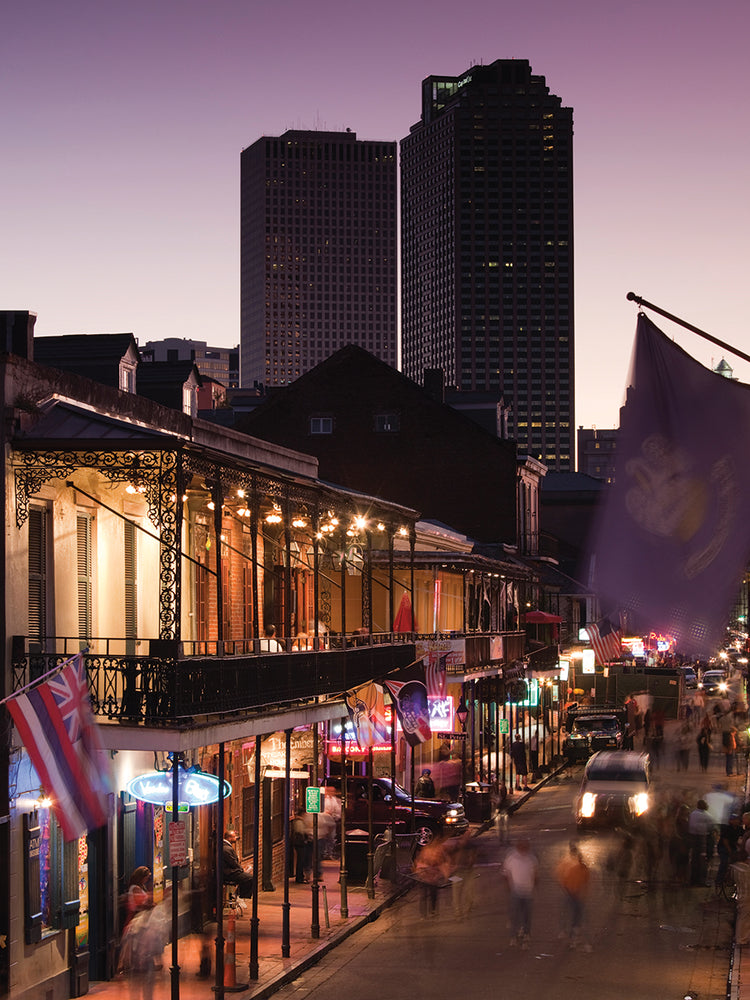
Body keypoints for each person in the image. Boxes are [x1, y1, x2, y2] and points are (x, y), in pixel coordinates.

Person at [502, 836, 538, 948]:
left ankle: (526, 934)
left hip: (527, 892)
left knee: (527, 916)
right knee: (515, 916)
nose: (525, 848)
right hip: (516, 892)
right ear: (518, 846)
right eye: (523, 846)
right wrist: (509, 887)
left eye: (526, 846)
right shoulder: (511, 858)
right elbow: (506, 873)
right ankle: (513, 936)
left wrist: (534, 888)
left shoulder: (531, 859)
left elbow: (535, 874)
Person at [555, 842, 591, 950]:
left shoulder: (580, 868)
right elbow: (564, 879)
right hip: (573, 894)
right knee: (574, 916)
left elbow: (585, 882)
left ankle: (572, 935)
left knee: (573, 915)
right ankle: (572, 936)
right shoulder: (574, 867)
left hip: (575, 894)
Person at [688, 799, 715, 886]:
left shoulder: (693, 814)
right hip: (703, 839)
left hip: (694, 839)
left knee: (695, 860)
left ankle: (693, 880)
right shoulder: (706, 816)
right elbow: (711, 826)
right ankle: (701, 881)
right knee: (703, 860)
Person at [222, 829, 254, 897]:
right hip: (228, 873)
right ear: (229, 838)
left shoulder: (226, 847)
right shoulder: (226, 849)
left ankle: (237, 894)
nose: (236, 838)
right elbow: (233, 863)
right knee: (250, 878)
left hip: (230, 871)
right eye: (234, 836)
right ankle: (241, 897)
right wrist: (241, 870)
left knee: (246, 876)